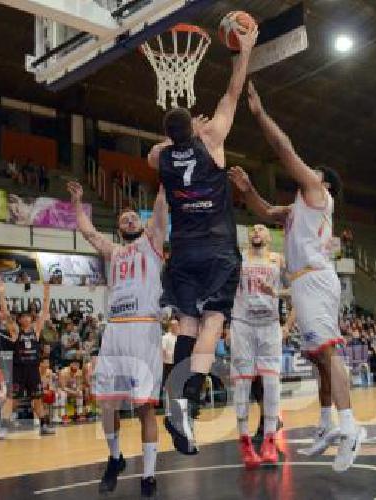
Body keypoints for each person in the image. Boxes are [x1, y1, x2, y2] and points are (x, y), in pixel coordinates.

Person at [228, 80, 363, 472]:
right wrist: (248, 189)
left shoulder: (318, 195)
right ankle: (325, 425)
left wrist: (259, 114)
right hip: (304, 282)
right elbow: (266, 212)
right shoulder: (298, 208)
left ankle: (350, 427)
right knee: (319, 359)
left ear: (322, 183)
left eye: (312, 172)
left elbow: (284, 148)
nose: (306, 174)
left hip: (315, 278)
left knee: (327, 352)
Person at [145, 20, 258, 457]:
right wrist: (243, 51)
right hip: (216, 250)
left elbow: (159, 149)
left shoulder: (161, 157)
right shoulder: (210, 140)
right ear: (193, 127)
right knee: (213, 325)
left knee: (188, 328)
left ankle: (176, 399)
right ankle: (187, 401)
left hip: (183, 252)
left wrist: (179, 132)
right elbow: (232, 95)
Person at [68, 179, 168, 497]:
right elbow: (88, 232)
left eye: (132, 216)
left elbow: (161, 209)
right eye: (122, 217)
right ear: (119, 228)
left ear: (141, 222)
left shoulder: (152, 242)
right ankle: (115, 459)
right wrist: (76, 202)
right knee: (107, 405)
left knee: (145, 409)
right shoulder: (115, 252)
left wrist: (166, 175)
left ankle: (149, 475)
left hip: (144, 328)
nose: (127, 218)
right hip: (115, 329)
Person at [229, 224, 285, 467]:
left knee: (272, 383)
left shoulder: (279, 259)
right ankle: (244, 442)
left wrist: (287, 322)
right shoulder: (238, 258)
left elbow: (297, 290)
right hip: (242, 323)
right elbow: (228, 289)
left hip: (270, 325)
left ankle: (270, 439)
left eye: (261, 229)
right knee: (242, 384)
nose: (256, 232)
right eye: (253, 230)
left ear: (269, 238)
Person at [0, 279, 54, 436]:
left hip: (33, 370)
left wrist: (46, 293)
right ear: (20, 320)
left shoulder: (36, 331)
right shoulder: (15, 331)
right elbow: (6, 314)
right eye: (24, 317)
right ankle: (3, 428)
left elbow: (45, 312)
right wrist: (1, 293)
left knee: (37, 400)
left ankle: (43, 426)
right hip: (19, 370)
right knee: (11, 400)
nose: (27, 318)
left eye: (29, 316)